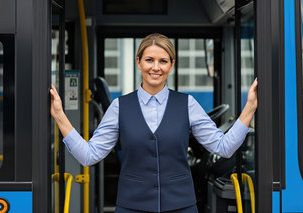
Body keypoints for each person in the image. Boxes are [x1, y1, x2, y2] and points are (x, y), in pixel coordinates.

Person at [50, 33, 258, 213]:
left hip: (181, 206)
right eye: (149, 60)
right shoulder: (119, 107)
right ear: (138, 61)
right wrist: (59, 114)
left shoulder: (188, 104)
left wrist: (249, 106)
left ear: (172, 65)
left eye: (163, 61)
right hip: (131, 206)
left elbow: (224, 147)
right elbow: (89, 155)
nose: (156, 67)